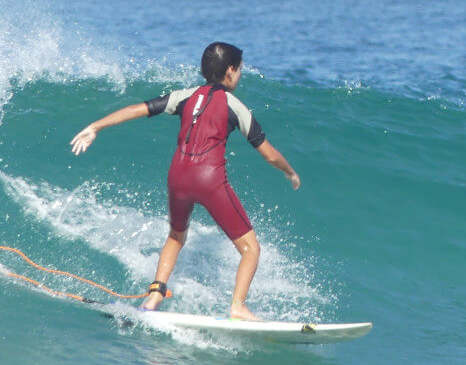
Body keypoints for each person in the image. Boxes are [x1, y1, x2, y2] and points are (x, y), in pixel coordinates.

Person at [70, 42, 301, 320]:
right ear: (230, 71)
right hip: (209, 179)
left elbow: (137, 109)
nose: (240, 75)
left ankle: (154, 298)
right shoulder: (234, 105)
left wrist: (95, 126)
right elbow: (268, 153)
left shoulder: (184, 96)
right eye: (239, 69)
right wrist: (290, 172)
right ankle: (238, 306)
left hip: (177, 176)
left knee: (176, 235)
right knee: (251, 248)